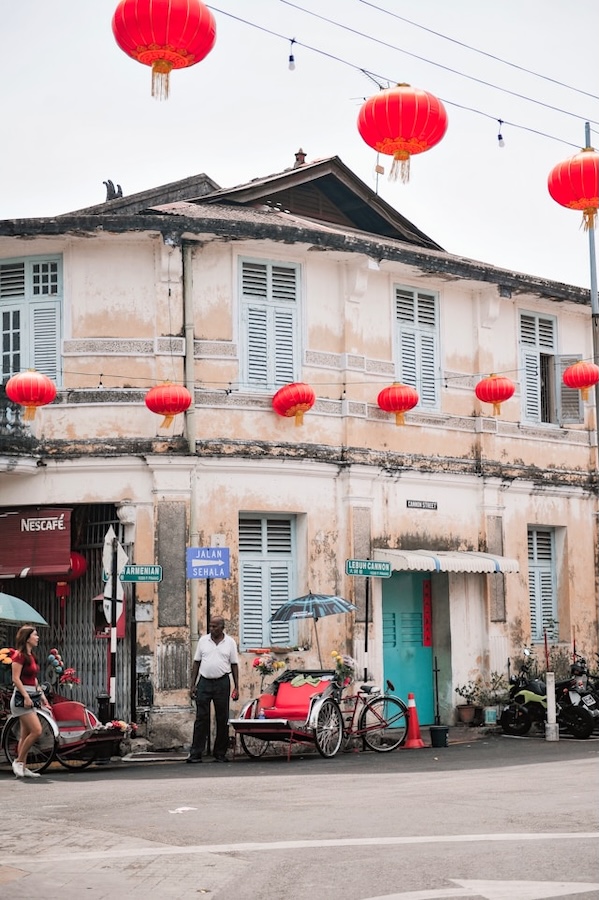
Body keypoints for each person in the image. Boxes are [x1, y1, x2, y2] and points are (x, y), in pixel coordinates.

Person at [187, 616, 239, 763]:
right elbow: (196, 663)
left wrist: (237, 686)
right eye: (210, 626)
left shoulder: (230, 643)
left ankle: (220, 753)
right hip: (204, 682)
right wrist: (193, 685)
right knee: (201, 718)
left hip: (222, 682)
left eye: (215, 626)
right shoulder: (203, 641)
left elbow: (234, 664)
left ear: (222, 627)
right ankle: (196, 753)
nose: (212, 629)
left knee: (222, 718)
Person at [10, 625, 52, 778]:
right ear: (27, 638)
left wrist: (41, 695)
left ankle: (24, 766)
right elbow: (15, 678)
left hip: (31, 696)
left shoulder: (31, 656)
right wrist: (26, 696)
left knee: (25, 734)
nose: (38, 637)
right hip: (22, 699)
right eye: (35, 635)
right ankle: (19, 761)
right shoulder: (19, 656)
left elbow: (33, 679)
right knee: (37, 731)